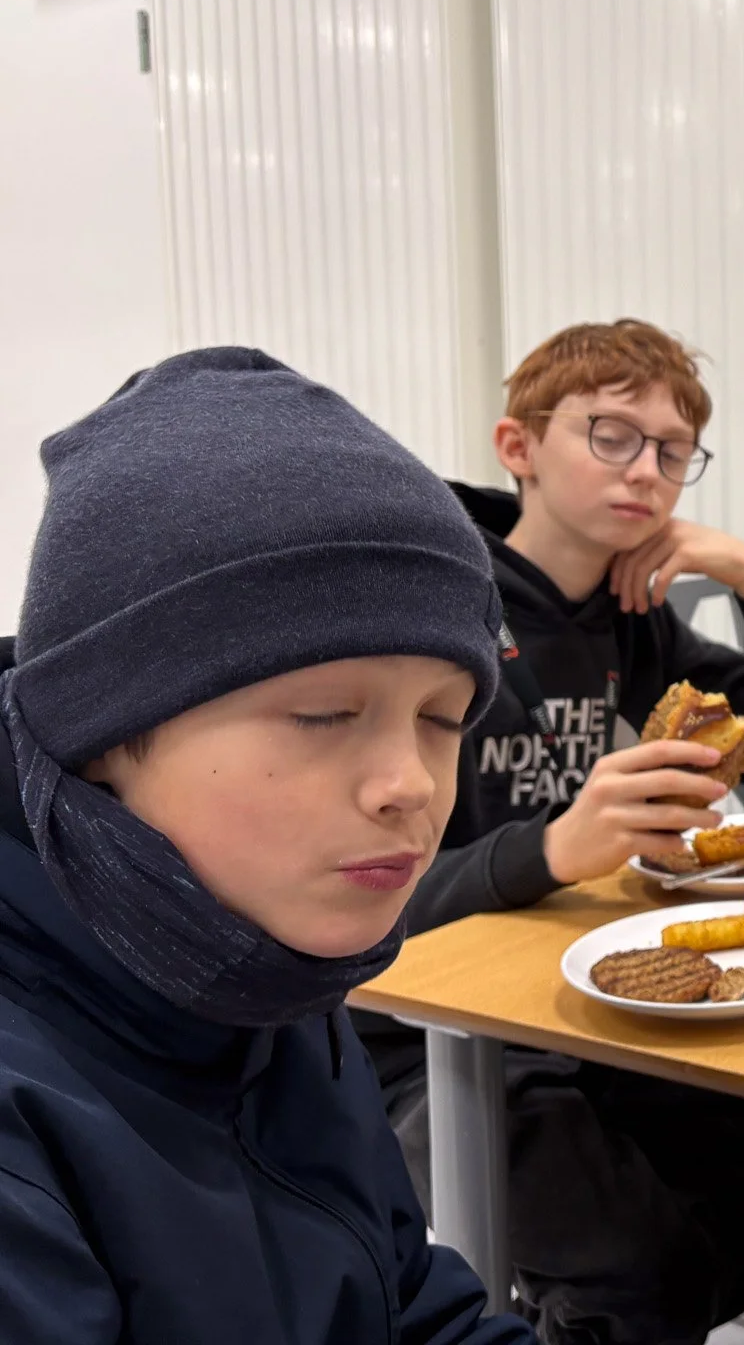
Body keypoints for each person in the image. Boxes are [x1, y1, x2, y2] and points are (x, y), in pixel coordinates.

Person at [357, 320, 744, 1344]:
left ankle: (590, 1321)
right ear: (518, 446)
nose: (646, 470)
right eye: (610, 435)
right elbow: (364, 901)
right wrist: (552, 849)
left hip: (581, 1001)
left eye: (673, 451)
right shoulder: (428, 614)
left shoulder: (631, 617)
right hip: (427, 1039)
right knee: (647, 1276)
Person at [0, 348, 529, 1343]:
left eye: (443, 718)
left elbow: (408, 1306)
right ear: (102, 730)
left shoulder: (258, 956)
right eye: (323, 713)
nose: (412, 784)